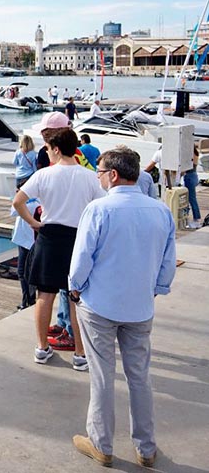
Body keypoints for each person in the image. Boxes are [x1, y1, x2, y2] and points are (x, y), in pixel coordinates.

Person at [68, 147, 176, 468]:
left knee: (102, 376)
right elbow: (167, 264)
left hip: (99, 304)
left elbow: (81, 260)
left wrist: (75, 288)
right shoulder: (160, 211)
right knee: (139, 376)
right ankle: (146, 447)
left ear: (112, 174)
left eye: (99, 171)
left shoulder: (99, 209)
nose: (98, 176)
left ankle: (101, 444)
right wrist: (155, 290)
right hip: (141, 306)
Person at [12, 127, 104, 371]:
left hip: (49, 236)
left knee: (45, 296)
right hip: (77, 239)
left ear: (55, 149)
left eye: (48, 148)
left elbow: (18, 201)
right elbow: (102, 208)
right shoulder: (89, 176)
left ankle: (42, 348)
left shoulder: (43, 175)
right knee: (76, 297)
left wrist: (33, 223)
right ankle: (80, 353)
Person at [10, 196, 40, 310]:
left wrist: (17, 199)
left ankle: (27, 300)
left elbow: (13, 211)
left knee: (23, 272)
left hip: (26, 241)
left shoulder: (28, 204)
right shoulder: (37, 202)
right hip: (29, 240)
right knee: (28, 271)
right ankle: (29, 299)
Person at [183, 143, 202, 229]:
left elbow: (188, 166)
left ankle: (196, 219)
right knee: (191, 198)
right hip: (194, 176)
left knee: (191, 199)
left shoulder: (191, 154)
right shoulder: (196, 153)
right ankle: (195, 218)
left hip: (190, 177)